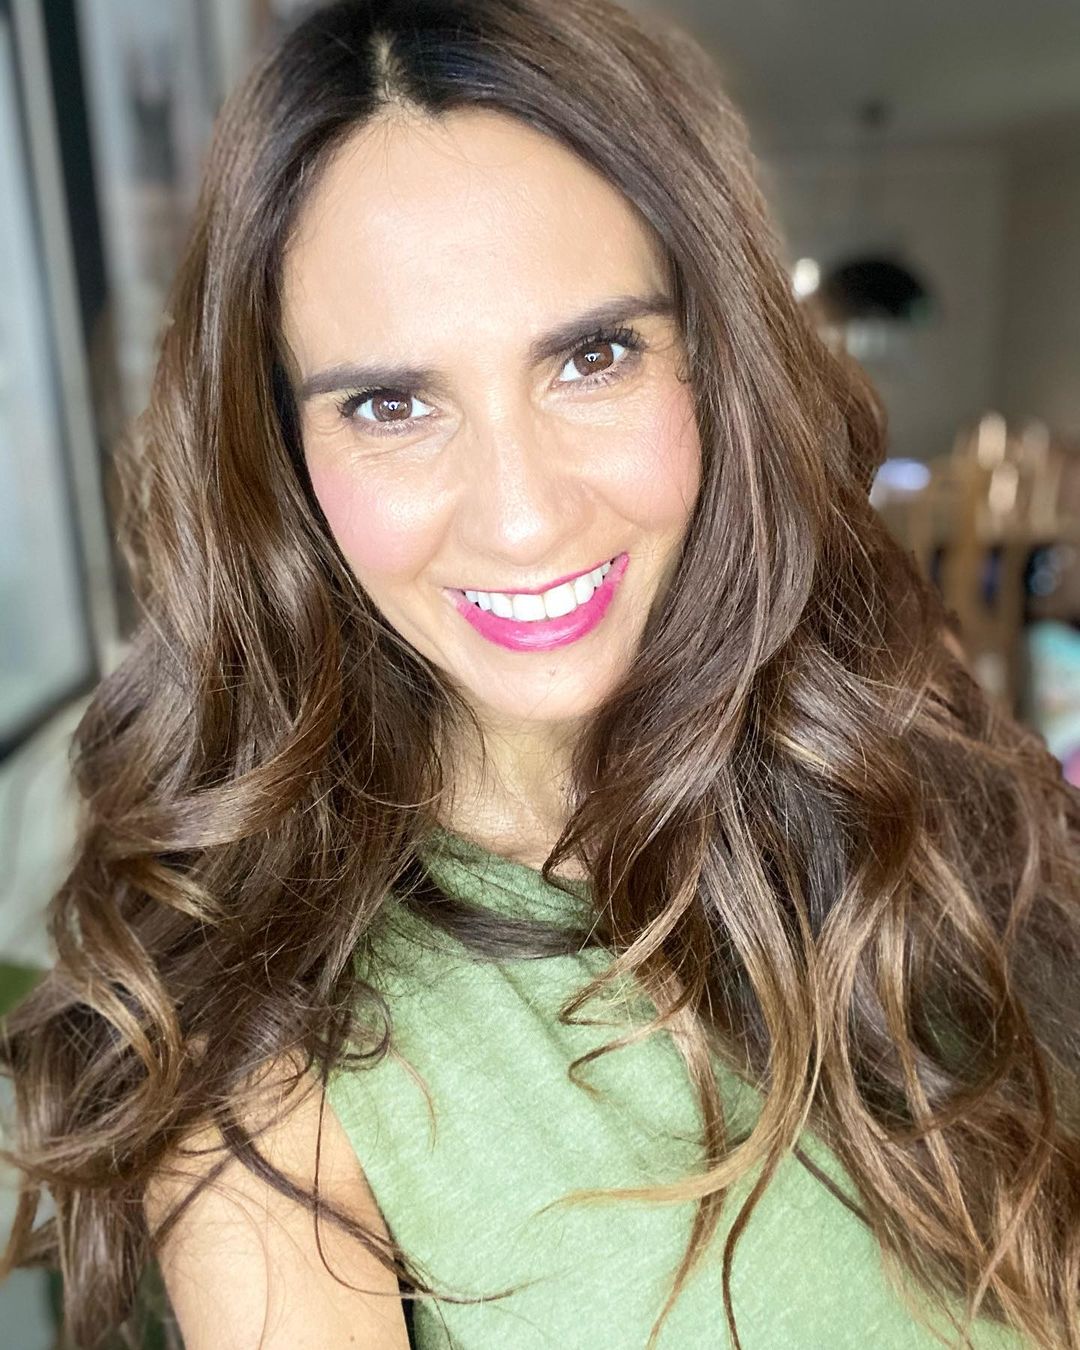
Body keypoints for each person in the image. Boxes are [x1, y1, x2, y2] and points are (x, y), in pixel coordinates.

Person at [2, 1, 1078, 1346]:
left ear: (715, 363)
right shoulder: (276, 1086)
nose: (521, 518)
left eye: (593, 355)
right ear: (281, 456)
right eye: (391, 403)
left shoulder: (901, 749)